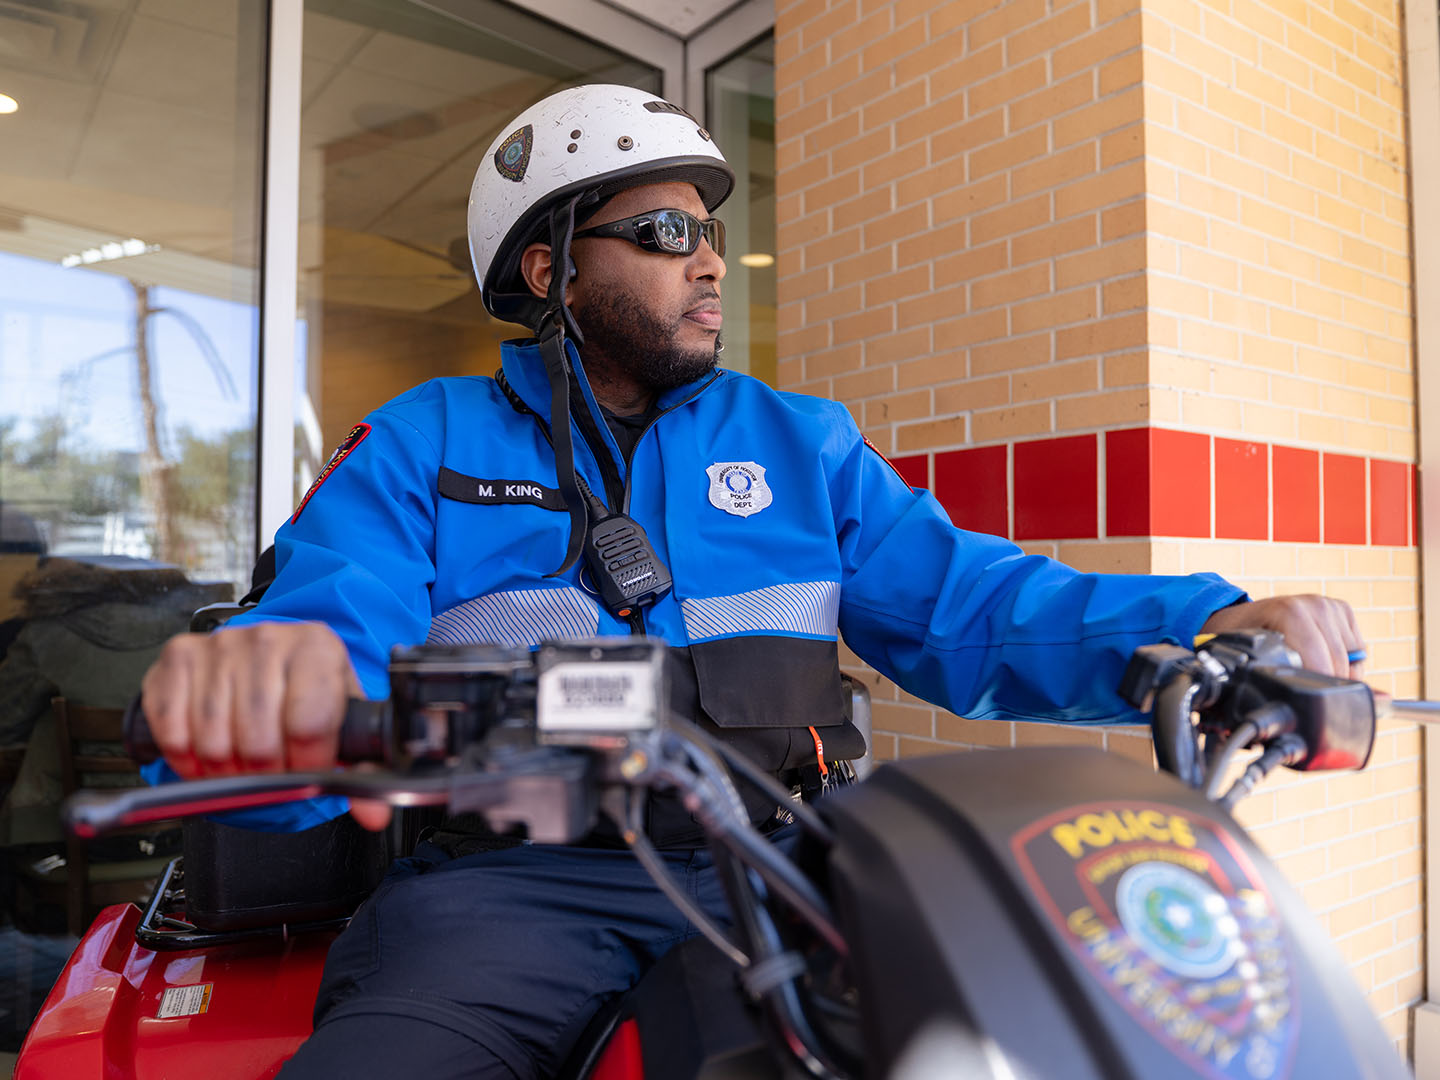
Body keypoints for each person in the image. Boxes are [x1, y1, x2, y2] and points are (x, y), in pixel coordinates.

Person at [138, 85, 1365, 1079]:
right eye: (667, 235)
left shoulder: (802, 439)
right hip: (510, 891)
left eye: (713, 236)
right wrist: (271, 678)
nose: (711, 264)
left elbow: (977, 609)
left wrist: (1204, 626)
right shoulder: (425, 438)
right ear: (551, 268)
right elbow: (325, 623)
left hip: (790, 862)